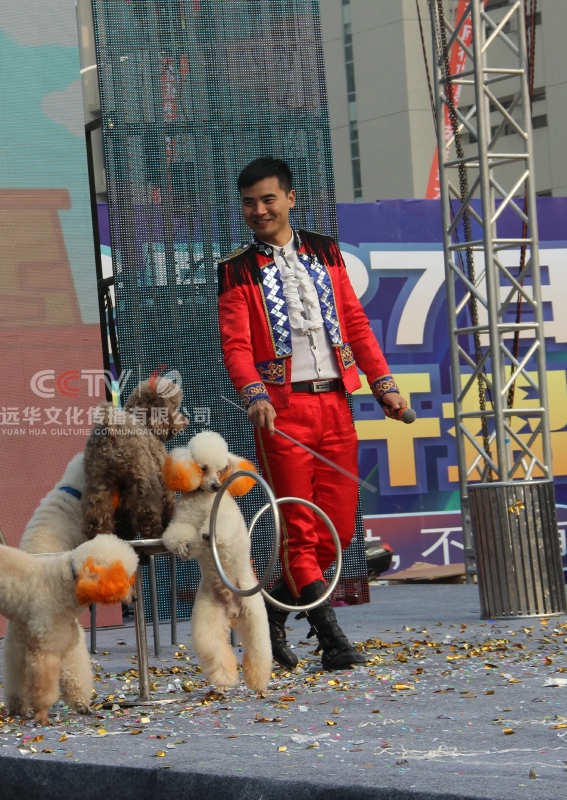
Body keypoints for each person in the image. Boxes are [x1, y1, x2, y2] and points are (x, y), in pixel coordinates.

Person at [216, 157, 408, 671]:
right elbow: (236, 346)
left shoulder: (325, 251)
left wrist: (384, 385)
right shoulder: (236, 269)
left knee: (337, 531)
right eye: (249, 203)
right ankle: (331, 638)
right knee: (300, 528)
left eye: (268, 199)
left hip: (336, 405)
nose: (259, 210)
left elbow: (356, 324)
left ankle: (273, 613)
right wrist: (254, 393)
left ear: (290, 199)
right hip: (282, 412)